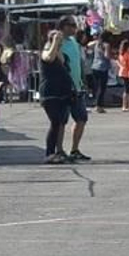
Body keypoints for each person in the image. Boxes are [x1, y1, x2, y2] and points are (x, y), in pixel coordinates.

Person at [38, 29, 73, 165]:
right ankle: (49, 153)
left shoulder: (59, 52)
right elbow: (49, 58)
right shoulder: (45, 51)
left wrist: (58, 45)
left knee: (59, 123)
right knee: (55, 122)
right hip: (49, 93)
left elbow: (61, 60)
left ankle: (56, 152)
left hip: (61, 92)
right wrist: (54, 41)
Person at [58, 17, 91, 162]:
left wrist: (83, 81)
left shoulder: (74, 43)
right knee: (61, 120)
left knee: (81, 118)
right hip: (63, 88)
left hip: (77, 87)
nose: (74, 28)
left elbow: (79, 64)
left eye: (75, 25)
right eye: (71, 25)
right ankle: (59, 150)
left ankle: (74, 149)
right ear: (63, 26)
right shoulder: (57, 43)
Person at [87, 33, 110, 113]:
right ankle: (99, 106)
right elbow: (106, 56)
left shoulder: (96, 44)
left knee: (96, 87)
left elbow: (88, 45)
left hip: (94, 66)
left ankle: (96, 104)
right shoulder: (106, 45)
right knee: (102, 88)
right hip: (103, 67)